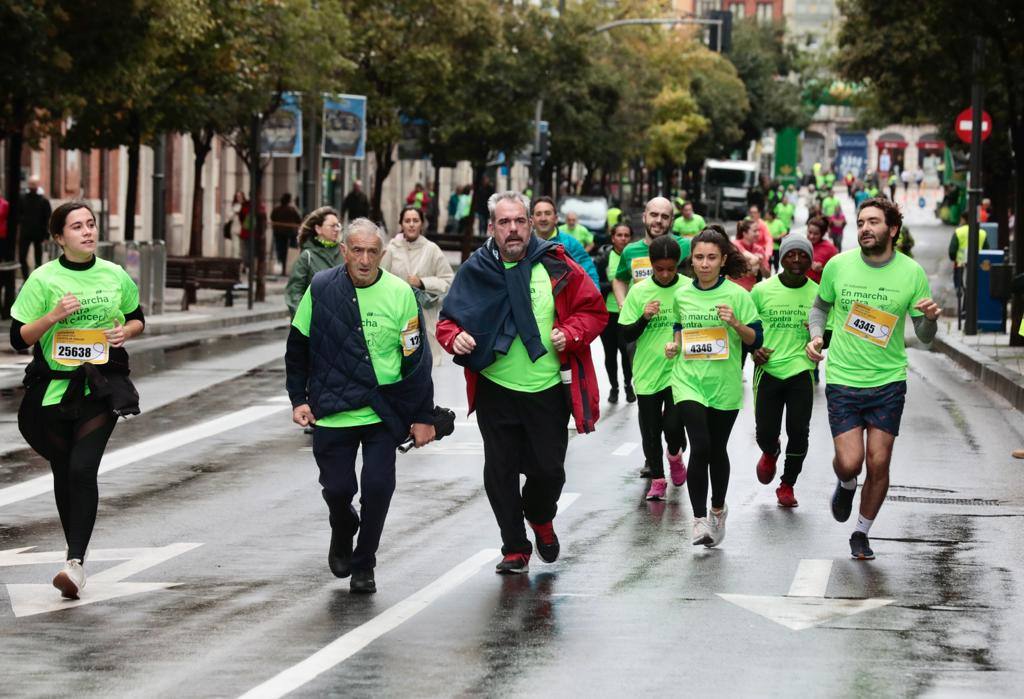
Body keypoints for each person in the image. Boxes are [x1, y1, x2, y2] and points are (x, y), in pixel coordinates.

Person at [437, 191, 606, 575]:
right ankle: (514, 546)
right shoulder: (476, 270)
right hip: (496, 388)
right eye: (504, 222)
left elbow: (593, 311)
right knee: (500, 472)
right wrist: (454, 338)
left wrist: (572, 332)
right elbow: (447, 321)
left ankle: (540, 516)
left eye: (519, 222)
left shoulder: (556, 264)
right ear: (492, 227)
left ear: (530, 225)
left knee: (549, 471)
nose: (512, 229)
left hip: (546, 389)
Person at [285, 218, 436, 594]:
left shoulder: (401, 294)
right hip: (333, 408)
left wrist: (422, 416)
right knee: (337, 489)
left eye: (372, 252)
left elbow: (416, 361)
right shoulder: (321, 288)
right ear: (344, 252)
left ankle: (364, 562)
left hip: (382, 410)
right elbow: (297, 346)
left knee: (378, 487)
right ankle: (342, 523)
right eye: (358, 251)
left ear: (382, 254)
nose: (365, 259)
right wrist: (298, 399)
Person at [10, 201, 144, 599]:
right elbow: (19, 338)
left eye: (91, 224)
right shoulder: (43, 279)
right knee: (64, 471)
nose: (87, 232)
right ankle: (75, 559)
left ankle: (75, 562)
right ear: (58, 237)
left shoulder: (115, 274)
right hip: (51, 392)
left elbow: (137, 317)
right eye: (76, 227)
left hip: (99, 389)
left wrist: (127, 333)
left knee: (83, 470)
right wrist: (52, 316)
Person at [806, 197, 941, 561]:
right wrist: (816, 336)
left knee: (879, 463)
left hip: (888, 382)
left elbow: (925, 337)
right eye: (861, 222)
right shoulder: (838, 266)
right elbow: (820, 307)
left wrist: (930, 318)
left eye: (874, 222)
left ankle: (861, 533)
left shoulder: (911, 273)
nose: (865, 228)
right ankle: (847, 483)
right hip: (844, 380)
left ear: (892, 229)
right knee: (851, 462)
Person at [665, 227, 762, 548]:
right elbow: (680, 328)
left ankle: (718, 509)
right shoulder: (682, 294)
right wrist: (674, 345)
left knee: (716, 449)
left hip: (724, 385)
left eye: (711, 258)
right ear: (690, 260)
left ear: (722, 261)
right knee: (701, 445)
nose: (704, 264)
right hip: (687, 380)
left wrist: (735, 323)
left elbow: (756, 339)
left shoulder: (738, 295)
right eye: (698, 258)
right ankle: (697, 519)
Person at [619, 235, 688, 500]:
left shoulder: (687, 288)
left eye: (671, 268)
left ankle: (675, 454)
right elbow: (625, 334)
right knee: (650, 429)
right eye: (660, 269)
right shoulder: (639, 291)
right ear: (652, 264)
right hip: (647, 371)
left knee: (672, 426)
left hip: (679, 371)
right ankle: (658, 479)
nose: (666, 274)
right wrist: (644, 317)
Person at [751, 235, 817, 507]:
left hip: (801, 371)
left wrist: (818, 341)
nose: (797, 260)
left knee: (799, 431)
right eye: (791, 254)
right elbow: (748, 328)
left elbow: (829, 329)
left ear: (810, 260)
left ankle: (788, 484)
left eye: (803, 255)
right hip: (769, 370)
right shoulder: (761, 291)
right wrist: (753, 349)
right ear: (781, 258)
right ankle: (771, 449)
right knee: (765, 431)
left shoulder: (818, 293)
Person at [381, 206, 454, 367]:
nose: (411, 224)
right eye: (407, 221)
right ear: (401, 224)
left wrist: (422, 282)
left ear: (422, 224)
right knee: (398, 363)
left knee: (425, 366)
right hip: (396, 316)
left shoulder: (432, 249)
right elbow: (380, 279)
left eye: (415, 220)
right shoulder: (391, 249)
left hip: (424, 317)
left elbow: (448, 280)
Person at [612, 196, 692, 310]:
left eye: (664, 216)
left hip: (677, 322)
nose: (659, 220)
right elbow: (620, 279)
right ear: (644, 217)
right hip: (642, 322)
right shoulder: (630, 251)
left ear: (671, 221)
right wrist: (622, 303)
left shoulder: (686, 246)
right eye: (654, 215)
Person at [595, 221, 634, 403]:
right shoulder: (603, 259)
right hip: (608, 314)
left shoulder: (636, 257)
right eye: (620, 235)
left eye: (627, 235)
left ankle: (628, 385)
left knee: (627, 353)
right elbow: (594, 284)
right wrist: (613, 285)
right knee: (610, 355)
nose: (623, 239)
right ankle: (614, 387)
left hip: (628, 314)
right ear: (613, 238)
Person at [285, 207, 343, 317]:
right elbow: (294, 292)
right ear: (318, 229)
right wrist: (304, 319)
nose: (336, 229)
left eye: (338, 225)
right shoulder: (307, 256)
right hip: (314, 323)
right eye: (332, 226)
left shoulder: (344, 254)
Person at [531, 196, 599, 288]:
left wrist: (592, 298)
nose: (543, 218)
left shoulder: (571, 243)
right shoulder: (525, 244)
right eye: (538, 214)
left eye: (547, 213)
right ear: (532, 220)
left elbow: (588, 275)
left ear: (556, 218)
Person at [19, 177, 52, 278]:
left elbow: (47, 219)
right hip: (25, 233)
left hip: (39, 234)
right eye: (31, 184)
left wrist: (46, 235)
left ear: (38, 186)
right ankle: (26, 278)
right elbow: (18, 215)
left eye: (34, 184)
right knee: (22, 257)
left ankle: (36, 278)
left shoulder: (44, 201)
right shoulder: (22, 198)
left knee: (38, 258)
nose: (32, 187)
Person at [731, 219, 770, 292]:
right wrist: (756, 259)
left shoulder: (759, 249)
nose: (758, 234)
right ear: (744, 233)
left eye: (758, 231)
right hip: (733, 292)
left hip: (750, 292)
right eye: (755, 231)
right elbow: (748, 255)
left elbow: (768, 276)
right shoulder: (734, 245)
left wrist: (761, 264)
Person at [270, 193, 302, 277]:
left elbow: (272, 217)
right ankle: (288, 268)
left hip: (279, 232)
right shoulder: (292, 209)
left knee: (281, 250)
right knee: (291, 251)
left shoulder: (277, 209)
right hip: (290, 233)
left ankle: (284, 267)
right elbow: (299, 219)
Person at [806, 215, 838, 284]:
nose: (811, 236)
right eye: (810, 232)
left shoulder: (831, 249)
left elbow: (837, 272)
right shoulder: (802, 244)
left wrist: (822, 270)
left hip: (819, 289)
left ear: (822, 234)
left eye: (816, 234)